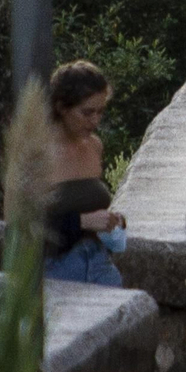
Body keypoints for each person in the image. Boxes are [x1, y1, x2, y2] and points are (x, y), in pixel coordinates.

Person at [43, 61, 124, 287]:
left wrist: (110, 221)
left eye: (100, 112)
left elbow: (87, 201)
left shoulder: (94, 145)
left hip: (101, 267)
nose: (95, 121)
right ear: (61, 107)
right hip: (57, 273)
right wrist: (82, 221)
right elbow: (21, 229)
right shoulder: (37, 154)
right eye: (87, 112)